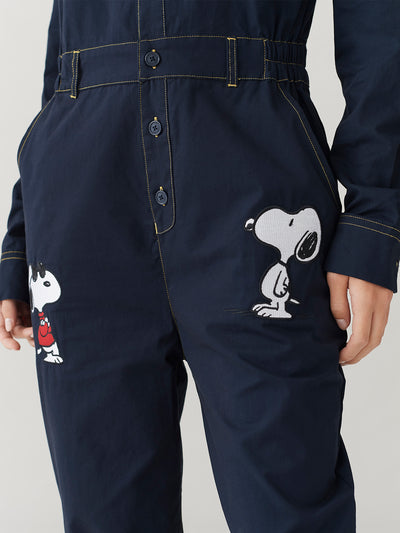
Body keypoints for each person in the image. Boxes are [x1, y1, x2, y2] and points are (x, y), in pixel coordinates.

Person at [0, 1, 398, 532]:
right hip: (79, 213)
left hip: (255, 183)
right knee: (106, 517)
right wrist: (21, 239)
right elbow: (66, 66)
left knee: (288, 510)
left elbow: (381, 26)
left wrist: (375, 220)